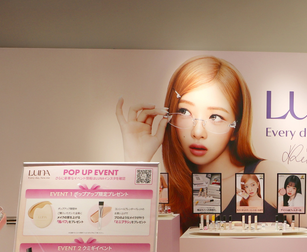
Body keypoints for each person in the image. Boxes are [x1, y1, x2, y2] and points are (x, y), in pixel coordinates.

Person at [116, 55, 272, 231]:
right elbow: (128, 240)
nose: (197, 132)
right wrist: (137, 160)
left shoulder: (266, 175)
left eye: (215, 116)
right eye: (184, 111)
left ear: (236, 128)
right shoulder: (165, 190)